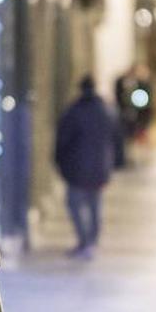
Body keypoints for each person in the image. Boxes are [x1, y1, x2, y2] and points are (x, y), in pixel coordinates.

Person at [55, 76, 116, 259]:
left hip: (77, 169)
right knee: (95, 205)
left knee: (74, 204)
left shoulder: (74, 111)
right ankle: (91, 241)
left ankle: (85, 241)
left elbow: (63, 141)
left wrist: (61, 163)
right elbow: (115, 138)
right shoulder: (105, 111)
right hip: (100, 168)